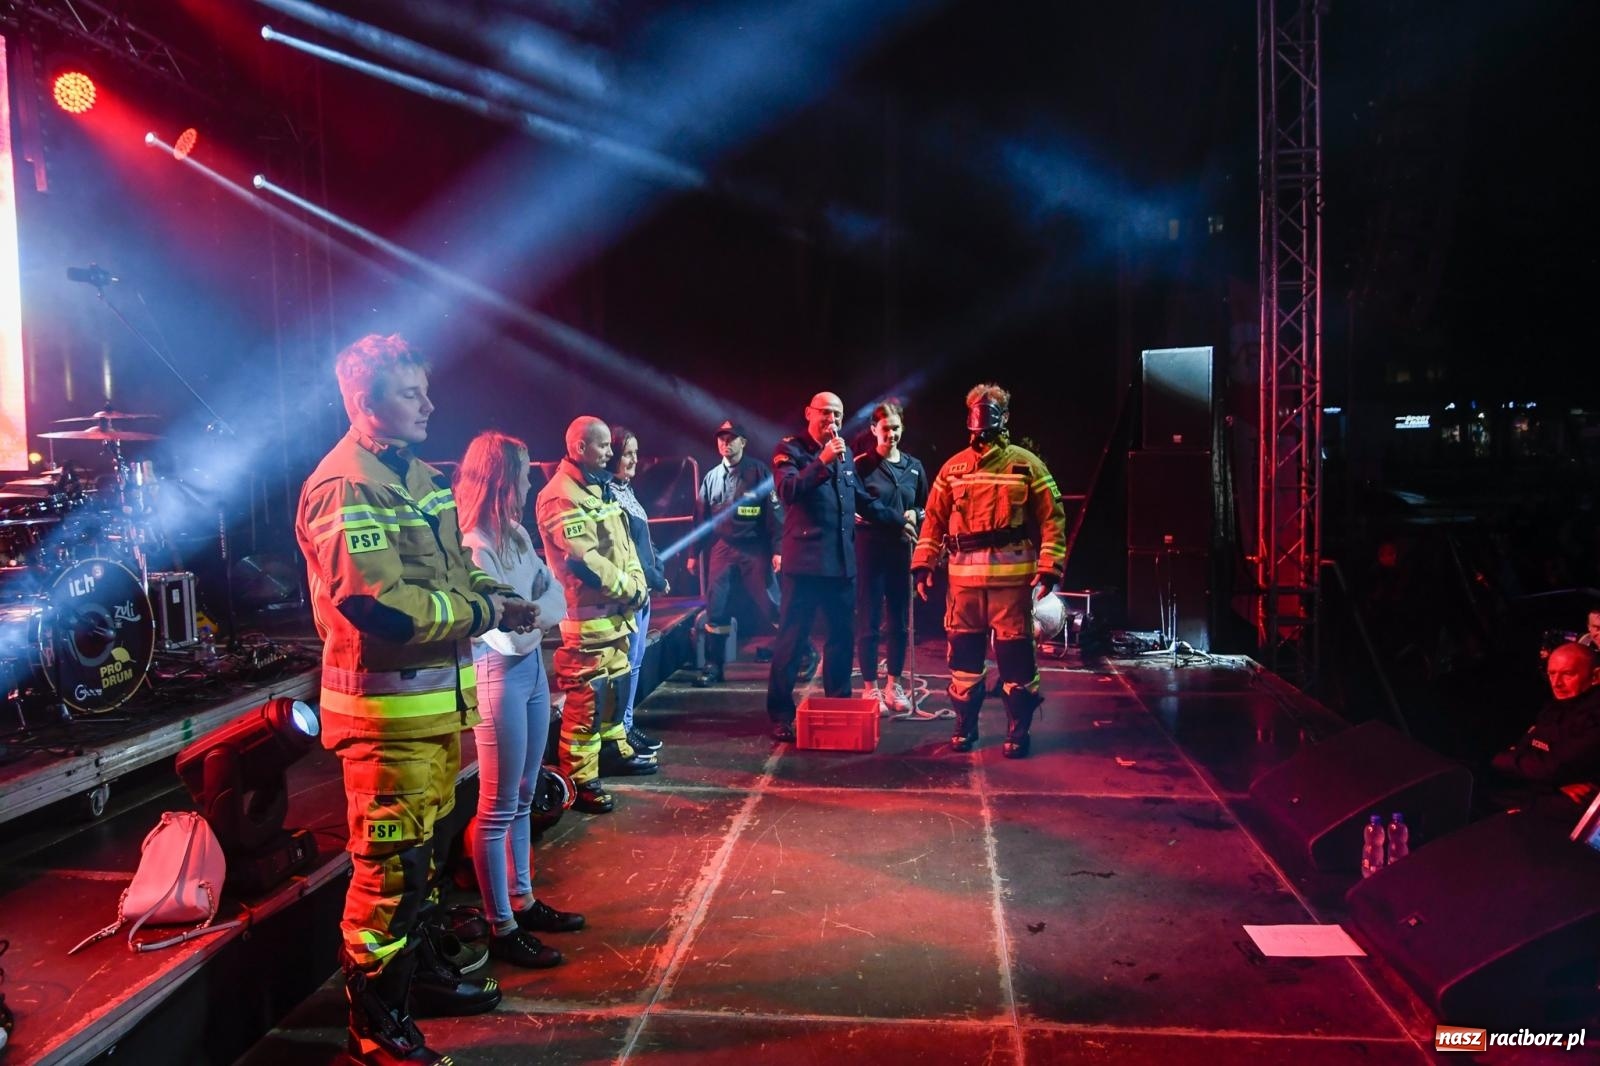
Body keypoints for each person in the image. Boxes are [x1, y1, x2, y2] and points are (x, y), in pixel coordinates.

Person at [296, 334, 524, 1066]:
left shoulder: (419, 475)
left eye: (426, 389)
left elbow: (454, 572)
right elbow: (379, 608)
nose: (429, 403)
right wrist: (485, 614)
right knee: (389, 874)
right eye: (410, 393)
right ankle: (375, 1028)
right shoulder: (344, 485)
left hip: (431, 712)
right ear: (366, 403)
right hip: (384, 719)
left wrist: (497, 594)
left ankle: (417, 982)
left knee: (418, 859)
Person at [455, 431, 585, 972]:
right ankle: (500, 923)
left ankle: (522, 899)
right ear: (503, 478)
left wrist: (532, 614)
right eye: (525, 473)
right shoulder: (474, 543)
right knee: (497, 804)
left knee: (525, 793)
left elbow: (553, 593)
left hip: (528, 670)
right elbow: (504, 633)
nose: (531, 482)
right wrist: (532, 615)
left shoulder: (513, 533)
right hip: (498, 674)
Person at [913, 383, 1066, 758]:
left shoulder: (1026, 464)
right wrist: (923, 564)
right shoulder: (953, 468)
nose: (982, 416)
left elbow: (1053, 517)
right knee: (964, 661)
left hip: (1010, 585)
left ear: (1005, 415)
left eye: (991, 408)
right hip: (963, 587)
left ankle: (1018, 729)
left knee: (1016, 659)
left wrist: (1050, 566)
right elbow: (933, 520)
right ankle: (965, 725)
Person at [767, 391, 917, 741]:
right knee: (792, 639)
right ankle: (780, 714)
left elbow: (862, 500)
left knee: (841, 640)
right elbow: (788, 490)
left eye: (837, 414)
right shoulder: (791, 450)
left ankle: (838, 705)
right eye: (826, 413)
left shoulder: (844, 452)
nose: (832, 420)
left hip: (841, 566)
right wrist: (821, 461)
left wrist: (898, 521)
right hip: (804, 567)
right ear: (809, 413)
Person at [535, 416, 654, 815]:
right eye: (603, 446)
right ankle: (581, 778)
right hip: (587, 623)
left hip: (616, 619)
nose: (610, 452)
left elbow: (624, 546)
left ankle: (613, 750)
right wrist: (630, 588)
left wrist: (636, 581)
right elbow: (583, 560)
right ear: (580, 447)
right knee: (587, 703)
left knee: (615, 692)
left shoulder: (598, 488)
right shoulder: (560, 495)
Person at [688, 419, 792, 686]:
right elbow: (701, 519)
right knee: (717, 607)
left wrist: (777, 550)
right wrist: (693, 553)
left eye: (731, 438)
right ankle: (713, 666)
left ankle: (802, 653)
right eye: (721, 439)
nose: (725, 443)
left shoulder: (758, 472)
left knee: (772, 604)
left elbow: (775, 514)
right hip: (722, 548)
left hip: (754, 548)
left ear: (743, 443)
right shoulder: (711, 478)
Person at [853, 401, 929, 714]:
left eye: (896, 428)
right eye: (886, 429)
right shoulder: (861, 465)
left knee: (899, 622)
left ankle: (893, 684)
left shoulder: (915, 467)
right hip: (870, 550)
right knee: (869, 620)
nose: (892, 434)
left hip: (901, 552)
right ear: (874, 429)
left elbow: (925, 506)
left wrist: (916, 514)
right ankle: (870, 687)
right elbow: (857, 506)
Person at [1484, 641, 1600, 818]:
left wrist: (1494, 758)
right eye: (1552, 674)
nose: (1556, 683)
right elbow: (1527, 748)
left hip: (1565, 804)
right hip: (1542, 788)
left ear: (1596, 676)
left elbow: (1553, 767)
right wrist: (1555, 784)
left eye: (1568, 674)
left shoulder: (1593, 716)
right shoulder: (1556, 706)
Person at [608, 425, 670, 755]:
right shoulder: (608, 495)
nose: (634, 460)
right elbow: (627, 549)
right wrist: (654, 578)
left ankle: (628, 725)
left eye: (635, 453)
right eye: (627, 454)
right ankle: (621, 729)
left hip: (643, 590)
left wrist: (659, 571)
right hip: (629, 592)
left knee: (635, 662)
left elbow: (645, 540)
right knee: (626, 664)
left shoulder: (627, 490)